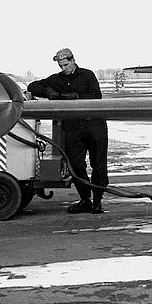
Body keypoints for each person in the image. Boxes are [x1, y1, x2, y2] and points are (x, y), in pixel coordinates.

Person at [27, 48, 109, 214]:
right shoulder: (56, 79)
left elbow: (96, 96)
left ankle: (98, 200)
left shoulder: (88, 76)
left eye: (65, 64)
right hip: (72, 129)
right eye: (61, 65)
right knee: (77, 166)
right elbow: (33, 86)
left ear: (73, 61)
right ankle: (85, 199)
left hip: (94, 127)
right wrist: (47, 91)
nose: (64, 68)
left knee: (99, 165)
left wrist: (76, 97)